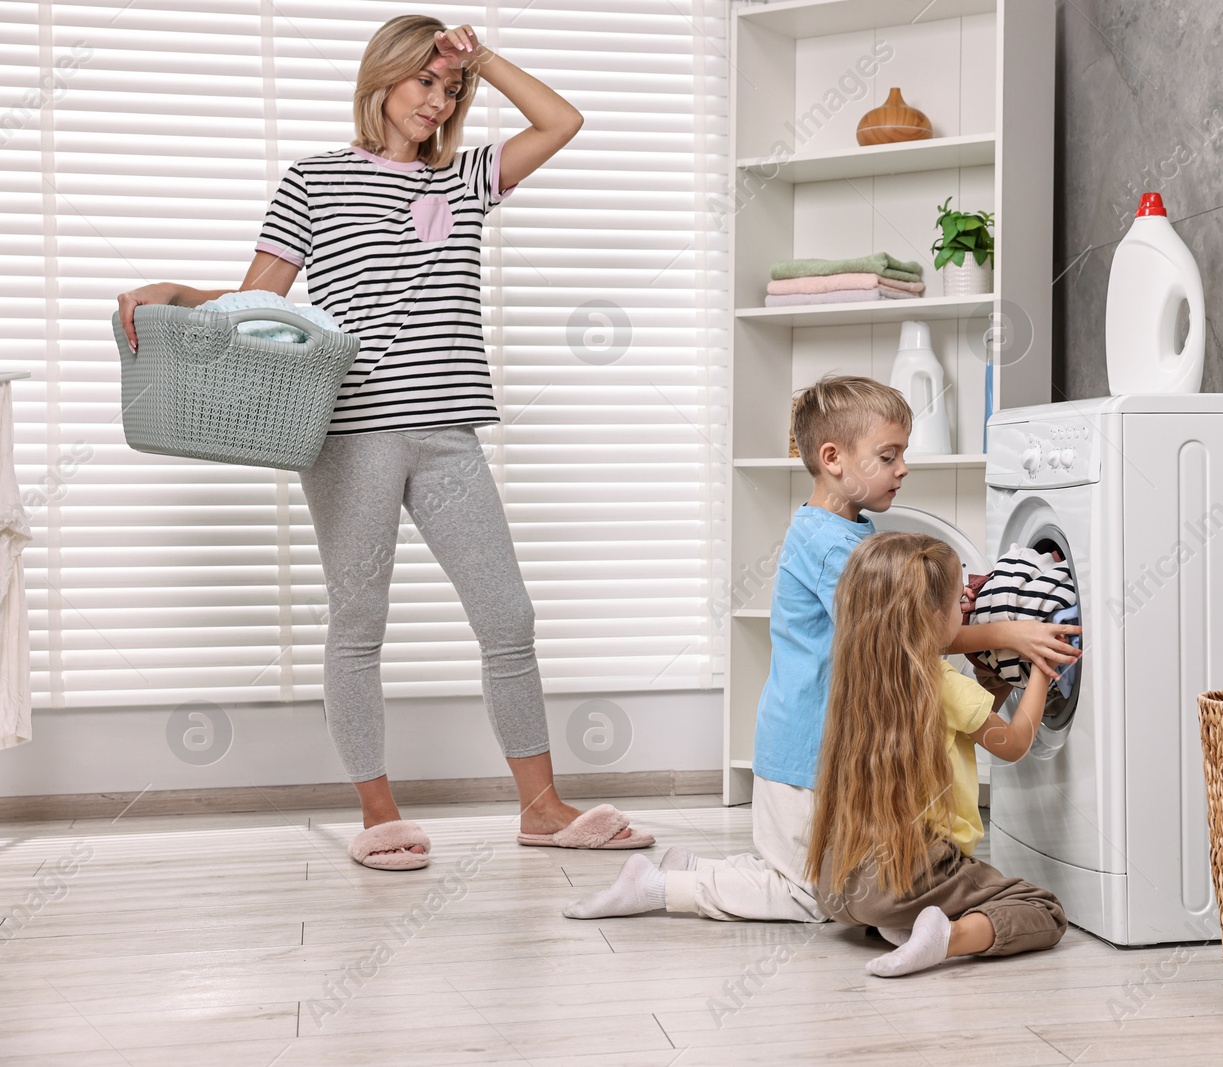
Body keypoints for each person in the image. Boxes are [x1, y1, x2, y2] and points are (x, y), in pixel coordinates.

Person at [116, 16, 651, 869]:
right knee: (359, 621)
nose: (438, 104)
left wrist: (483, 59)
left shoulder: (468, 177)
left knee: (507, 617)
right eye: (425, 84)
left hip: (447, 433)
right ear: (383, 79)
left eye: (451, 92)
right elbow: (263, 301)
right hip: (350, 434)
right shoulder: (314, 181)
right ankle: (378, 811)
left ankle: (542, 806)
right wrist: (182, 291)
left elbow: (561, 123)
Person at [563, 375, 1080, 919]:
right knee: (811, 894)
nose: (903, 468)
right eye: (888, 455)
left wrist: (945, 596)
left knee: (811, 872)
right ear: (833, 458)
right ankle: (663, 889)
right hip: (808, 747)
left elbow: (903, 614)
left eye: (902, 453)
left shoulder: (851, 530)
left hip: (820, 742)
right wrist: (1006, 633)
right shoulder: (830, 546)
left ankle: (688, 869)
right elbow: (895, 634)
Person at [807, 531, 1068, 977]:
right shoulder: (942, 682)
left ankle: (900, 922)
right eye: (956, 605)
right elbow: (1015, 744)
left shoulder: (859, 678)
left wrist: (997, 678)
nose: (964, 612)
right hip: (909, 873)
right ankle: (946, 937)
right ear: (931, 617)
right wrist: (1043, 665)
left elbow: (965, 722)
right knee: (1042, 909)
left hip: (838, 881)